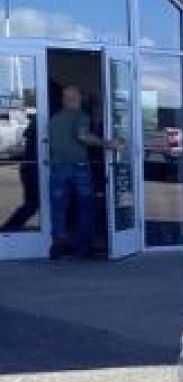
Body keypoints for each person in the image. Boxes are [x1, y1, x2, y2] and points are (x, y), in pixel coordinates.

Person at [48, 85, 117, 259]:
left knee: (59, 208)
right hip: (78, 166)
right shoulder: (81, 116)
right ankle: (83, 247)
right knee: (85, 207)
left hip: (57, 166)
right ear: (78, 98)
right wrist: (107, 143)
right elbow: (83, 136)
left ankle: (58, 245)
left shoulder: (54, 118)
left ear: (64, 99)